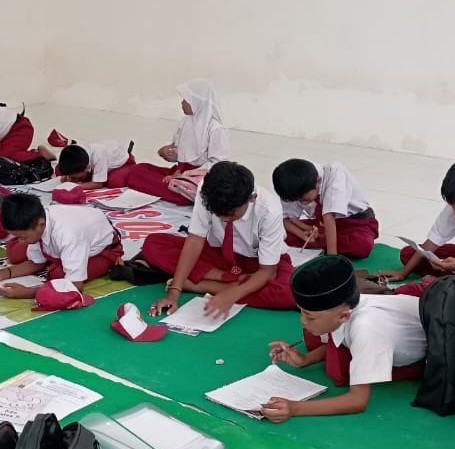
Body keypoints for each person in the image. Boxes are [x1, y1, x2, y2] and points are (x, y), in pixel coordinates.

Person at [262, 255, 426, 422]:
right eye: (301, 312)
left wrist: (295, 408)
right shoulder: (345, 308)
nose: (302, 321)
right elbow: (344, 336)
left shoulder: (367, 328)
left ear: (343, 316)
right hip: (395, 321)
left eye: (309, 316)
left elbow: (357, 401)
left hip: (425, 353)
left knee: (337, 369)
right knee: (313, 336)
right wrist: (305, 359)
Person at [144, 161, 294, 318]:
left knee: (288, 293)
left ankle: (202, 285)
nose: (224, 219)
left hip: (258, 264)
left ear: (252, 198)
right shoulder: (208, 192)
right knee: (153, 244)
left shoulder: (269, 210)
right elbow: (195, 240)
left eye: (231, 214)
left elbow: (268, 272)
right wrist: (174, 293)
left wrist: (232, 294)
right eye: (218, 214)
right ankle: (229, 279)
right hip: (219, 256)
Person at [0, 194, 122, 299]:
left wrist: (27, 292)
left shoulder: (69, 235)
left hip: (104, 250)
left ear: (40, 224)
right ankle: (58, 257)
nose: (21, 241)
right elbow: (37, 262)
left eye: (23, 237)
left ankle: (63, 260)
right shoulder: (39, 222)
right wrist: (3, 273)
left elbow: (75, 286)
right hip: (66, 241)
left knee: (57, 275)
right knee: (14, 253)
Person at [127, 80, 230, 205]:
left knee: (185, 190)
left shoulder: (215, 129)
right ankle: (175, 190)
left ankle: (183, 193)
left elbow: (218, 164)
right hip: (178, 172)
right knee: (138, 169)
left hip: (198, 179)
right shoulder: (186, 122)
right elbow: (184, 154)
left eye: (186, 100)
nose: (182, 103)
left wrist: (185, 176)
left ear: (197, 102)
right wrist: (166, 153)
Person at [272, 158, 379, 258]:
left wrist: (332, 259)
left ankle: (322, 242)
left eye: (304, 199)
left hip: (356, 222)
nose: (301, 202)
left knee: (362, 245)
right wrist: (303, 234)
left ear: (318, 181)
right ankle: (321, 240)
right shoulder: (290, 187)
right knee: (277, 232)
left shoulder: (335, 173)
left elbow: (329, 216)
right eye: (297, 200)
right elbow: (286, 219)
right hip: (321, 224)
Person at [377, 163, 455, 280]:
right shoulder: (451, 209)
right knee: (408, 254)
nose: (454, 212)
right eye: (453, 206)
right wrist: (403, 273)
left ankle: (448, 275)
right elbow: (433, 242)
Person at [45, 140, 135, 190]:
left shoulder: (99, 155)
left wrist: (74, 186)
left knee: (114, 182)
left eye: (73, 176)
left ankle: (131, 168)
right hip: (94, 166)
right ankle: (96, 175)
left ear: (86, 168)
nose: (72, 178)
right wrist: (68, 177)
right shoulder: (74, 151)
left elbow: (98, 184)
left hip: (122, 162)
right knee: (58, 170)